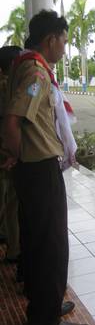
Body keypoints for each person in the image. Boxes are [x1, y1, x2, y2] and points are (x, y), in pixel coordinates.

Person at [1, 10, 88, 325]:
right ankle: (45, 320)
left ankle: (44, 305)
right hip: (38, 169)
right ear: (51, 40)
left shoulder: (23, 66)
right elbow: (13, 119)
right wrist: (17, 155)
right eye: (64, 40)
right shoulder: (36, 74)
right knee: (50, 244)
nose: (65, 47)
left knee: (37, 240)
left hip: (32, 169)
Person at [0, 46, 22, 265]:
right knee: (14, 201)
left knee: (9, 198)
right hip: (8, 151)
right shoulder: (7, 88)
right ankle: (15, 248)